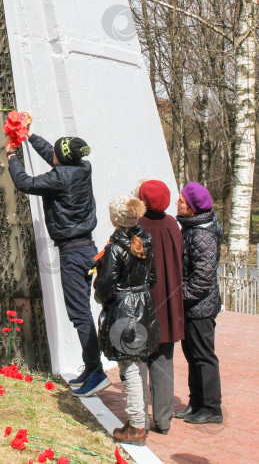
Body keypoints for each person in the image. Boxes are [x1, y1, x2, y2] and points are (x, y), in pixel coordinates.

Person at [5, 112, 111, 397]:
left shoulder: (59, 178)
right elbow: (53, 156)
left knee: (79, 314)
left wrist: (11, 156)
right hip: (86, 248)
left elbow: (25, 184)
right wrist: (28, 135)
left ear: (61, 160)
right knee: (82, 312)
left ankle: (96, 372)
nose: (50, 153)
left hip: (73, 253)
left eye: (55, 152)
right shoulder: (82, 168)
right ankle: (91, 367)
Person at [95, 194, 161, 447]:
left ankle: (136, 426)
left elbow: (106, 286)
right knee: (134, 364)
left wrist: (102, 296)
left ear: (114, 218)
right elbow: (152, 278)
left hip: (124, 310)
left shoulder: (115, 248)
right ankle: (134, 421)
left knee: (129, 368)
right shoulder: (146, 240)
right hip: (143, 306)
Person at [136, 180, 184, 435]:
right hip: (169, 305)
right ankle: (164, 420)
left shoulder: (137, 228)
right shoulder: (172, 225)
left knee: (139, 362)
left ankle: (140, 419)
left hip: (143, 305)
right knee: (164, 362)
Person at [175, 182, 223, 424]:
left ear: (192, 209)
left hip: (200, 307)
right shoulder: (192, 228)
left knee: (203, 356)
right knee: (192, 355)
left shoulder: (203, 233)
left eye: (181, 201)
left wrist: (178, 297)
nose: (177, 203)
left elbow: (202, 277)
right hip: (191, 306)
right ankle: (196, 403)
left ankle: (212, 408)